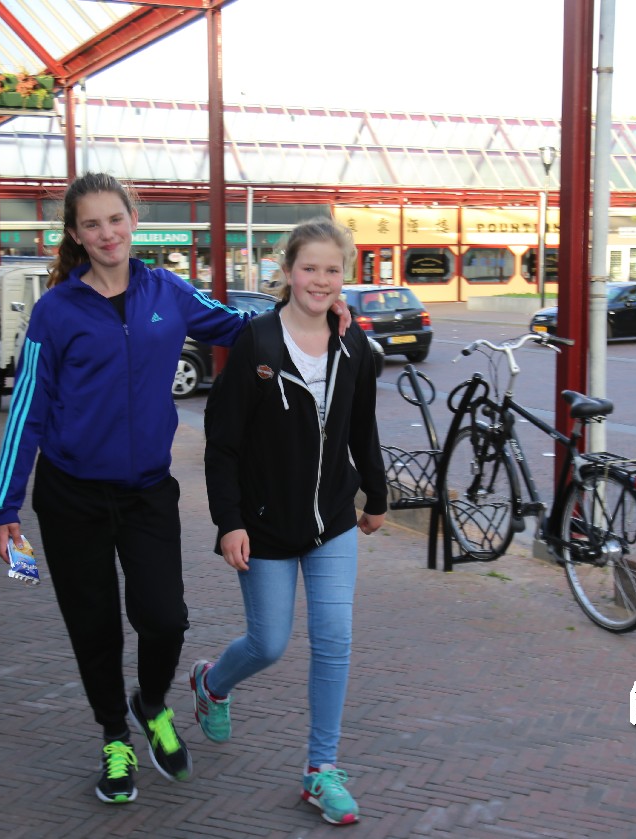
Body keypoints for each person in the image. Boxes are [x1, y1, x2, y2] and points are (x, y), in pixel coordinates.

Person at [0, 173, 350, 807]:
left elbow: (237, 327)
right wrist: (5, 505)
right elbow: (28, 410)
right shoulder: (56, 311)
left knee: (164, 619)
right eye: (92, 224)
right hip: (71, 497)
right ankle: (114, 739)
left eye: (115, 220)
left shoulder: (166, 290)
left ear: (134, 220)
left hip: (148, 492)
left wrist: (309, 309)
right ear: (75, 234)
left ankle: (151, 704)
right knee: (95, 626)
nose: (107, 234)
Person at [194, 217, 387, 826]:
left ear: (344, 276)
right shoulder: (256, 344)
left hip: (333, 521)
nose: (320, 281)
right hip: (264, 525)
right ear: (286, 271)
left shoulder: (355, 346)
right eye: (309, 268)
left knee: (334, 640)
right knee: (269, 643)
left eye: (333, 270)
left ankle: (320, 769)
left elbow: (362, 428)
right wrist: (229, 521)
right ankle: (212, 683)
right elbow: (223, 443)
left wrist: (377, 497)